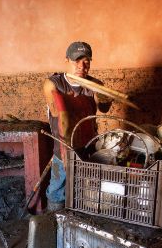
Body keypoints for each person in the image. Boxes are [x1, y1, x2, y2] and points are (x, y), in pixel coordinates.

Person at [42, 41, 112, 211]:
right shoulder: (54, 83)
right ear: (66, 60)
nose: (82, 65)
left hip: (88, 144)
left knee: (85, 187)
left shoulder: (95, 86)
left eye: (86, 61)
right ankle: (55, 219)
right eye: (76, 60)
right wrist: (69, 100)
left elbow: (104, 108)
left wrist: (104, 96)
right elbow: (59, 115)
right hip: (63, 145)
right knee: (58, 188)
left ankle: (79, 220)